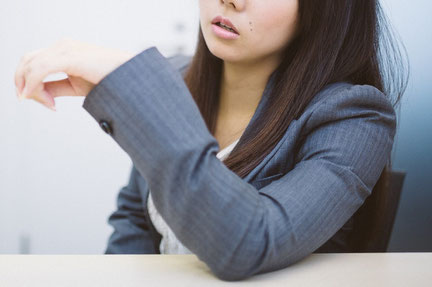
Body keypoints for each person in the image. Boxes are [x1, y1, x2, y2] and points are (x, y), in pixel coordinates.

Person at [14, 0, 409, 282]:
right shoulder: (175, 78)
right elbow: (136, 218)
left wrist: (133, 83)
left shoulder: (355, 116)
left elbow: (250, 242)